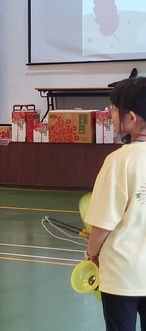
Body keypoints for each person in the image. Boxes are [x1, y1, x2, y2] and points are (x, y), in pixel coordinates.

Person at [85, 77, 146, 331]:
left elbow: (102, 225)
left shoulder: (119, 161)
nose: (108, 113)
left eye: (112, 108)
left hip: (122, 275)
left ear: (131, 117)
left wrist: (91, 254)